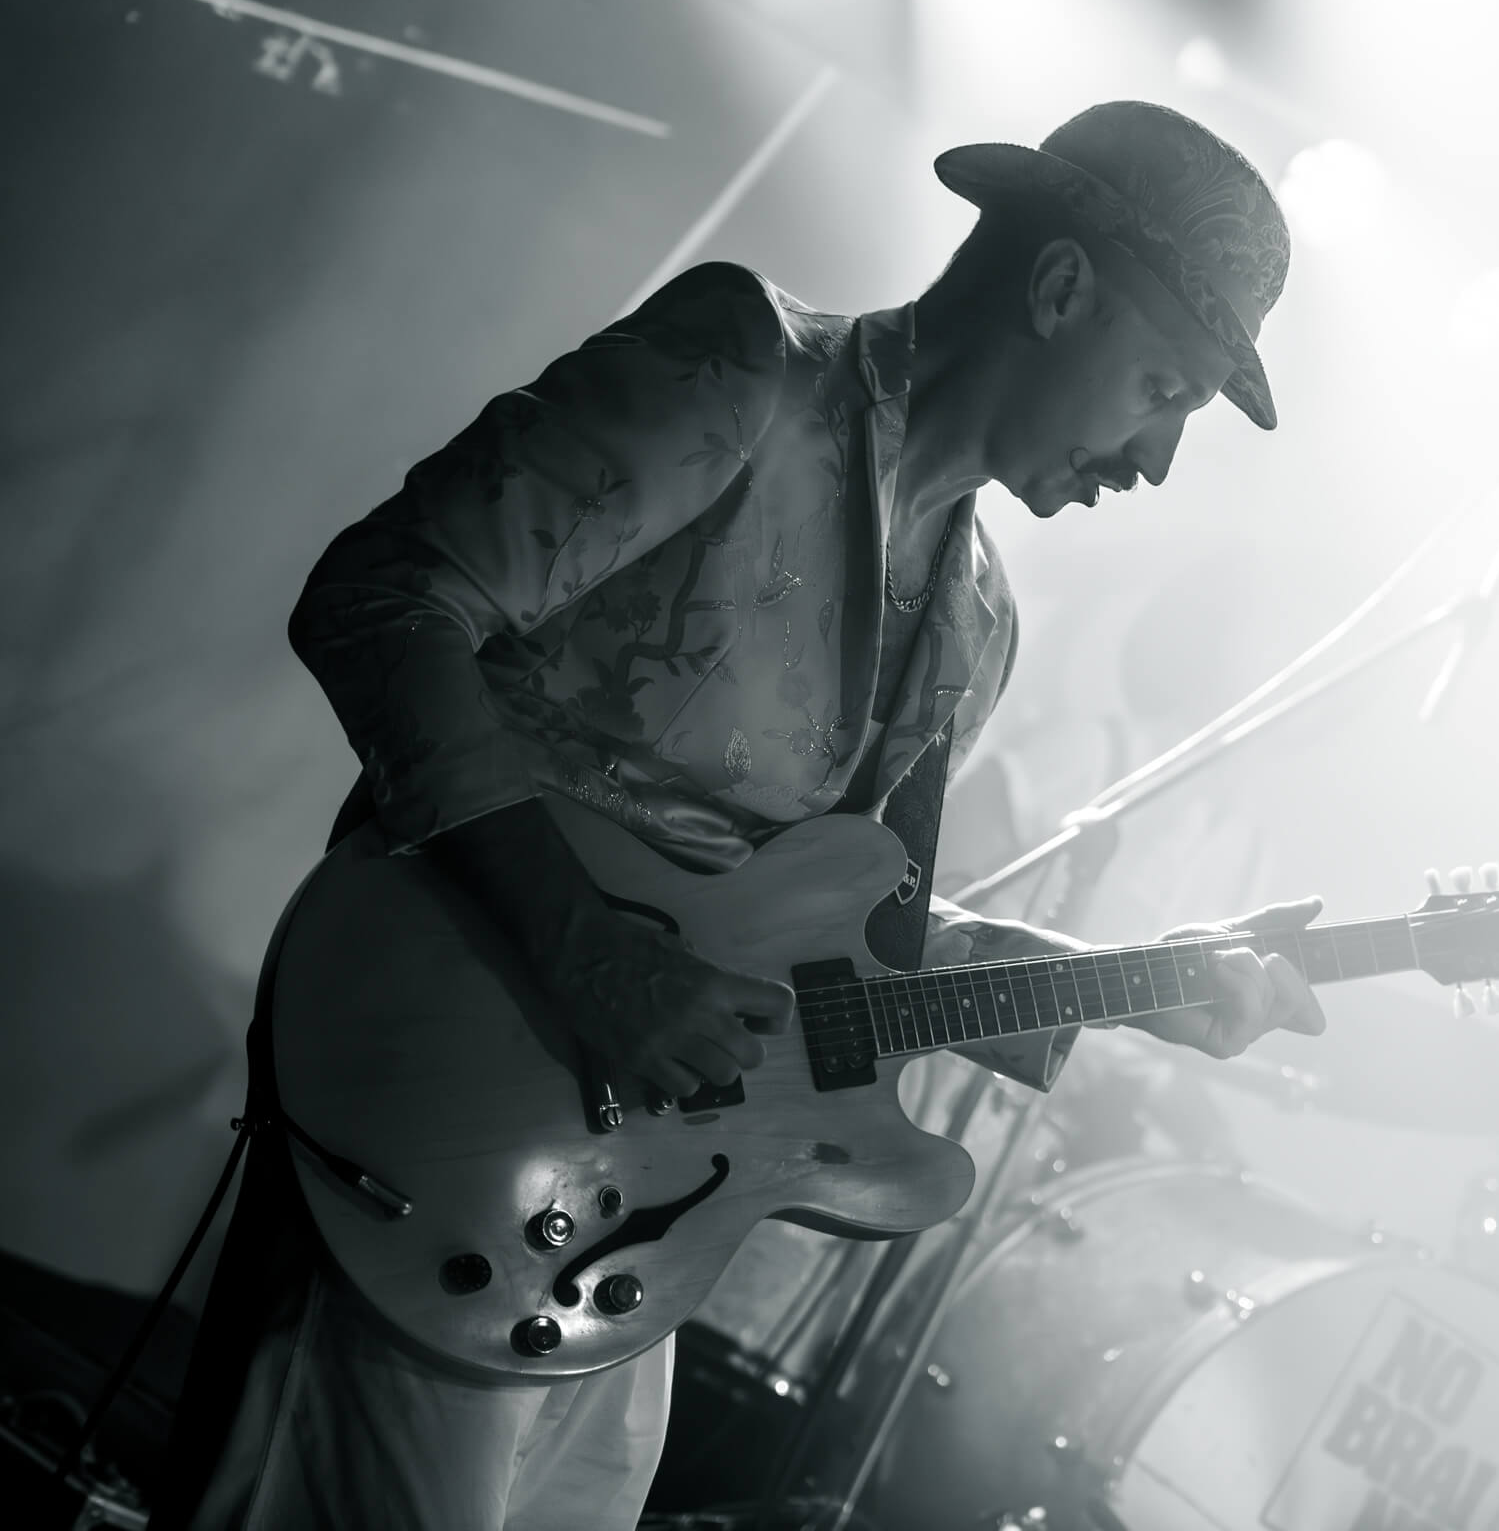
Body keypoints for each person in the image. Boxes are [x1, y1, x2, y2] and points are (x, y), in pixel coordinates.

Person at [154, 101, 1326, 1531]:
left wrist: (1138, 984)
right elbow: (387, 597)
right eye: (1161, 389)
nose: (1156, 462)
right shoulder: (747, 372)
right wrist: (589, 951)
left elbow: (834, 939)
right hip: (437, 1106)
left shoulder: (976, 624)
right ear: (1062, 287)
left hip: (630, 1216)